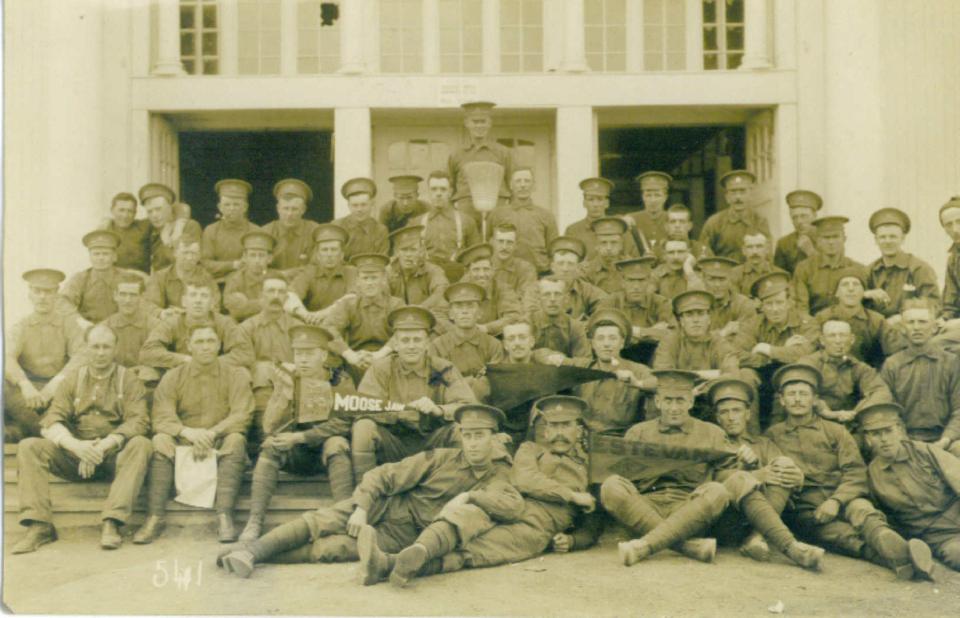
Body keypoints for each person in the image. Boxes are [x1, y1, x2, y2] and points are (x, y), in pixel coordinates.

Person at [217, 403, 520, 578]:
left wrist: (469, 495)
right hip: (386, 505)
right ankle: (253, 551)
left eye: (480, 436)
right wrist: (362, 508)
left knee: (331, 550)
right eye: (468, 436)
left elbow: (511, 506)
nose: (473, 443)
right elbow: (384, 474)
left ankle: (249, 554)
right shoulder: (441, 458)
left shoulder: (499, 474)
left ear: (494, 438)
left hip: (407, 535)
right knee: (322, 521)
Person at [360, 396, 599, 586]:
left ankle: (388, 564)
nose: (559, 432)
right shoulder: (529, 449)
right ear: (545, 430)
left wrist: (574, 540)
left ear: (578, 430)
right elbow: (525, 479)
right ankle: (422, 548)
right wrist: (572, 496)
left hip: (536, 527)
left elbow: (595, 517)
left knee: (472, 552)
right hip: (505, 503)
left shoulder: (592, 466)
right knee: (468, 514)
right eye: (553, 426)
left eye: (566, 426)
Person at [603, 369, 823, 570]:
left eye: (680, 400)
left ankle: (791, 547)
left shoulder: (712, 433)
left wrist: (751, 470)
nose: (674, 407)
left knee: (719, 489)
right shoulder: (638, 432)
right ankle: (685, 546)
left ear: (690, 401)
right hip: (645, 510)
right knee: (611, 485)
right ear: (658, 401)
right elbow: (625, 475)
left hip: (691, 511)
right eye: (668, 400)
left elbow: (726, 474)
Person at [764, 364, 934, 580]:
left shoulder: (836, 431)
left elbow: (855, 471)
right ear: (782, 400)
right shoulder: (772, 436)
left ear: (815, 399)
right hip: (807, 510)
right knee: (840, 536)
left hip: (844, 497)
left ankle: (884, 536)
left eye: (804, 394)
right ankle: (900, 558)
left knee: (862, 510)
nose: (797, 399)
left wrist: (836, 500)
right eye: (791, 394)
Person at [12, 324, 152, 553]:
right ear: (86, 349)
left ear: (115, 349)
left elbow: (138, 421)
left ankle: (113, 521)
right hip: (74, 458)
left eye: (106, 347)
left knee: (142, 444)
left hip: (113, 458)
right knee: (29, 446)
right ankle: (39, 525)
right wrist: (77, 447)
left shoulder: (128, 379)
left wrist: (103, 446)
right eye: (95, 346)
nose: (100, 352)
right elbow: (52, 418)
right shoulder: (72, 379)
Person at [134, 325, 254, 544]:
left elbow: (241, 414)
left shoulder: (235, 375)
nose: (205, 347)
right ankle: (155, 516)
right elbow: (162, 415)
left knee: (236, 439)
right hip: (184, 442)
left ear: (219, 345)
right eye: (199, 342)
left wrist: (211, 433)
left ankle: (225, 515)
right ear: (189, 346)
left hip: (218, 442)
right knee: (160, 439)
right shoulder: (173, 376)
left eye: (210, 341)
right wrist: (188, 433)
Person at [238, 325, 357, 542]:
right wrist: (282, 395)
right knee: (269, 445)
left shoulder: (340, 380)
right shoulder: (289, 378)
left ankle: (344, 516)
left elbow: (344, 423)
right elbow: (269, 427)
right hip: (296, 452)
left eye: (309, 354)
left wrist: (301, 437)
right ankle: (254, 520)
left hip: (324, 452)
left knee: (337, 443)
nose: (302, 360)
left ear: (323, 355)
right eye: (298, 354)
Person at [350, 306, 477, 479]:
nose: (411, 346)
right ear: (395, 344)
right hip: (393, 443)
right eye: (405, 340)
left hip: (433, 444)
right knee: (363, 427)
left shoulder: (443, 369)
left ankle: (456, 489)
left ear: (427, 344)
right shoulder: (381, 369)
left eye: (417, 340)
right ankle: (364, 493)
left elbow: (468, 407)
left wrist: (438, 410)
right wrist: (400, 412)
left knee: (459, 429)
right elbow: (363, 408)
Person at [708, 378, 813, 563]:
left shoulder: (763, 444)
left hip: (759, 519)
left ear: (748, 414)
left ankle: (756, 537)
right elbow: (708, 484)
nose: (731, 417)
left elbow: (783, 472)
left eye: (737, 410)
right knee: (748, 478)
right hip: (726, 522)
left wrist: (798, 476)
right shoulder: (711, 444)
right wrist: (755, 474)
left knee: (782, 466)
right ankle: (786, 544)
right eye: (724, 412)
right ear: (717, 417)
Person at [858, 402, 960, 571]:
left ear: (899, 430)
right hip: (939, 537)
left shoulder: (925, 452)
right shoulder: (872, 476)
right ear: (868, 439)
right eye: (876, 434)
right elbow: (891, 520)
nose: (884, 439)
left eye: (888, 431)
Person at [5, 269, 87, 442]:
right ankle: (57, 434)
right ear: (30, 294)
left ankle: (28, 430)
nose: (42, 297)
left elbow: (81, 355)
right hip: (28, 395)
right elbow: (7, 357)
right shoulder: (21, 325)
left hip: (60, 389)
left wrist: (55, 384)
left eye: (48, 291)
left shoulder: (69, 324)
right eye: (37, 291)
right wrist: (25, 384)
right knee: (5, 390)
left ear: (56, 294)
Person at [879, 297, 960, 457]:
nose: (917, 328)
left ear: (934, 327)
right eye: (911, 322)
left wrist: (945, 440)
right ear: (903, 328)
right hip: (904, 439)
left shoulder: (952, 363)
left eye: (922, 322)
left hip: (945, 439)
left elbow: (959, 409)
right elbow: (887, 410)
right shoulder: (892, 365)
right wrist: (903, 439)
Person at [559, 309, 656, 436]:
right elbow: (541, 356)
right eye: (600, 338)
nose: (606, 344)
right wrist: (553, 357)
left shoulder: (637, 370)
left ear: (622, 342)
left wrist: (638, 383)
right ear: (592, 343)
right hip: (583, 439)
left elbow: (662, 383)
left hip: (620, 441)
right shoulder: (582, 367)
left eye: (612, 338)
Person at [140, 279, 254, 371]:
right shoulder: (171, 323)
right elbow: (147, 352)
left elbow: (244, 353)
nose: (198, 301)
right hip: (181, 375)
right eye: (193, 295)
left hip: (217, 375)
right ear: (184, 301)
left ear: (212, 303)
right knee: (148, 372)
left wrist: (209, 362)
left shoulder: (224, 323)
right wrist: (183, 359)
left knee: (243, 373)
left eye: (204, 296)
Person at [798, 320, 893, 428]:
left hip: (848, 425)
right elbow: (800, 392)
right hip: (813, 423)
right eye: (832, 336)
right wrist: (828, 413)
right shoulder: (808, 363)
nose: (838, 341)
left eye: (842, 335)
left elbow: (881, 392)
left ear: (852, 339)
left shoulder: (858, 367)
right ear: (822, 340)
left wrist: (856, 412)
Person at [322, 253, 403, 376]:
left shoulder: (396, 305)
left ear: (383, 279)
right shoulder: (348, 304)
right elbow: (329, 328)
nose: (369, 283)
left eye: (374, 278)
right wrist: (349, 354)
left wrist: (380, 354)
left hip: (388, 360)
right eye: (365, 278)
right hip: (355, 361)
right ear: (358, 281)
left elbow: (403, 331)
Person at [239, 274, 304, 416]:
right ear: (261, 295)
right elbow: (245, 363)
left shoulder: (298, 328)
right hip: (259, 388)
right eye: (271, 291)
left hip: (293, 387)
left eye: (281, 292)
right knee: (261, 370)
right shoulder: (247, 328)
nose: (276, 296)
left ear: (286, 298)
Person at [428, 282, 504, 395]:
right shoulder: (437, 346)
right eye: (458, 306)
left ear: (479, 313)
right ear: (451, 314)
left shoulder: (493, 345)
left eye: (470, 305)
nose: (465, 311)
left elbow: (496, 384)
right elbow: (435, 384)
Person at [863, 207, 940, 318]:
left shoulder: (919, 268)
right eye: (883, 237)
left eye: (893, 237)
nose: (887, 241)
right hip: (877, 329)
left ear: (902, 238)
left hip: (910, 329)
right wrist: (866, 294)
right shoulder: (869, 271)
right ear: (876, 240)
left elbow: (934, 304)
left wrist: (904, 317)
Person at [815, 268, 900, 367]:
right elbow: (810, 348)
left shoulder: (877, 320)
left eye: (856, 284)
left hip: (866, 375)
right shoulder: (822, 318)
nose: (851, 289)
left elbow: (894, 350)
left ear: (863, 292)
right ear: (836, 293)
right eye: (845, 284)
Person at [736, 271, 818, 369]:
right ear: (762, 306)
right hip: (761, 372)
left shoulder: (806, 322)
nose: (775, 309)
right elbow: (737, 354)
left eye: (779, 303)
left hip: (794, 371)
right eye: (769, 304)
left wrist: (766, 349)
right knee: (746, 375)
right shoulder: (753, 324)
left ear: (789, 303)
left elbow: (806, 352)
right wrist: (778, 353)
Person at [447, 101, 513, 222]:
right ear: (466, 123)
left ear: (490, 123)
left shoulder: (503, 153)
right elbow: (449, 187)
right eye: (475, 122)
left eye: (483, 121)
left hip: (497, 207)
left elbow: (512, 184)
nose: (479, 126)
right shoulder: (457, 154)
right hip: (466, 208)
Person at [60, 230, 142, 323]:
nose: (101, 258)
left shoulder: (127, 278)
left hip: (119, 328)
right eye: (96, 254)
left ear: (114, 256)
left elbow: (143, 303)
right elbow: (63, 302)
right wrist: (79, 321)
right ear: (90, 256)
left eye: (105, 254)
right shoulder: (80, 278)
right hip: (88, 328)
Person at [486, 167, 557, 273]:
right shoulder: (497, 214)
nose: (523, 185)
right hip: (505, 271)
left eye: (527, 181)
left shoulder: (546, 215)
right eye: (518, 181)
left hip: (539, 271)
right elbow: (489, 243)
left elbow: (553, 248)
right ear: (511, 185)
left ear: (534, 185)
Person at [793, 216, 868, 316]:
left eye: (835, 237)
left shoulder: (858, 269)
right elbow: (801, 308)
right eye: (826, 237)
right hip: (815, 325)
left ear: (844, 239)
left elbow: (866, 307)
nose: (831, 242)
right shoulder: (805, 269)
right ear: (817, 240)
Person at [412, 170, 480, 280]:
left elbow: (476, 258)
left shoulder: (467, 221)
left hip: (458, 279)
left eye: (443, 189)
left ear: (450, 192)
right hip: (427, 280)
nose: (438, 193)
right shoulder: (416, 223)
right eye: (434, 189)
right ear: (428, 192)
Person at [597, 257, 674, 346]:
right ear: (623, 282)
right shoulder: (610, 302)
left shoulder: (661, 303)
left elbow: (668, 334)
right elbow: (601, 332)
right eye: (631, 280)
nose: (636, 286)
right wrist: (648, 332)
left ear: (649, 281)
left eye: (641, 280)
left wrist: (630, 332)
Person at [287, 224, 358, 319]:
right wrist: (305, 315)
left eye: (334, 250)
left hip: (341, 325)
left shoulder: (351, 272)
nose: (329, 254)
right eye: (325, 250)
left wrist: (322, 315)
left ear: (341, 254)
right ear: (318, 255)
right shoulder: (309, 272)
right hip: (311, 323)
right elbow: (291, 295)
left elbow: (351, 299)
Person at [698, 170, 770, 262]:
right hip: (722, 273)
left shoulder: (760, 221)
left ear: (751, 194)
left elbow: (767, 255)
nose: (738, 197)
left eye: (742, 191)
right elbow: (704, 255)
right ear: (727, 197)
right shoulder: (714, 223)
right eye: (733, 192)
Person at [102, 273, 161, 381]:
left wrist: (155, 371)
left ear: (142, 297)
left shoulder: (157, 327)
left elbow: (165, 360)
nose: (127, 300)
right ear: (115, 296)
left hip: (147, 385)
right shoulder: (104, 328)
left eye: (133, 295)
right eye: (123, 294)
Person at [143, 234, 220, 316]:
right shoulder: (160, 277)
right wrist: (161, 313)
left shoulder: (206, 278)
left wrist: (186, 313)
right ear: (175, 253)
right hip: (169, 322)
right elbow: (149, 304)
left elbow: (215, 307)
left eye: (194, 253)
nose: (189, 257)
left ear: (199, 255)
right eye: (185, 253)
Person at [565, 178, 641, 260]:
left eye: (600, 199)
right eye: (591, 199)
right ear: (584, 203)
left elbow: (634, 259)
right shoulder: (573, 231)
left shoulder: (620, 226)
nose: (595, 204)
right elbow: (569, 261)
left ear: (607, 203)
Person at [456, 243, 522, 336]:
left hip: (493, 339)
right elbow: (440, 313)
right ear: (467, 272)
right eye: (476, 269)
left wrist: (487, 328)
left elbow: (514, 316)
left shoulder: (502, 288)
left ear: (492, 270)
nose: (482, 274)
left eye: (486, 269)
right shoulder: (458, 289)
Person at [201, 179, 260, 280]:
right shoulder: (211, 230)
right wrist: (233, 265)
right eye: (227, 204)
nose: (231, 208)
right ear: (220, 207)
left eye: (236, 204)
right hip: (216, 284)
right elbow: (205, 263)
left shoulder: (255, 231)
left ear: (245, 207)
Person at [386, 225, 450, 315]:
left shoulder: (433, 270)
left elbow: (441, 291)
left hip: (423, 317)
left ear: (421, 251)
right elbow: (381, 295)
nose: (408, 255)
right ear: (396, 252)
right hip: (395, 318)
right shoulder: (387, 271)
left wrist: (421, 308)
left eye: (413, 250)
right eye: (404, 250)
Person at [222, 231, 285, 322]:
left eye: (261, 255)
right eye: (252, 255)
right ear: (244, 257)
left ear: (269, 258)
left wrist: (248, 304)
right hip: (243, 325)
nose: (257, 260)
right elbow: (236, 310)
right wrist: (264, 303)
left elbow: (284, 303)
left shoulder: (277, 277)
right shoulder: (235, 279)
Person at [139, 182, 201, 273]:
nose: (154, 215)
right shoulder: (149, 227)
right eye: (150, 211)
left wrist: (167, 241)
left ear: (170, 207)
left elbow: (186, 262)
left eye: (158, 209)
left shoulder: (189, 226)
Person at [261, 178, 320, 272]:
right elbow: (259, 268)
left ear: (303, 209)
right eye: (285, 208)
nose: (289, 214)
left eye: (294, 209)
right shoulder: (266, 232)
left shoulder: (315, 231)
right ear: (278, 208)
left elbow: (317, 266)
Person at [547, 236, 609, 321]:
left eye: (570, 264)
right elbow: (531, 317)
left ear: (578, 267)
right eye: (560, 263)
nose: (565, 269)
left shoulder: (588, 291)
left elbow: (604, 310)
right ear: (552, 266)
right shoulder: (535, 289)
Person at [529, 276, 591, 359]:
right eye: (546, 294)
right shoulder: (528, 324)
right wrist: (540, 355)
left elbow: (585, 361)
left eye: (557, 294)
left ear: (566, 298)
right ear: (539, 298)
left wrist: (562, 360)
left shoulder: (575, 327)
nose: (552, 299)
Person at [697, 256, 757, 339]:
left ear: (730, 280)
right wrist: (723, 333)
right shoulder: (695, 305)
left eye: (722, 279)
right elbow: (694, 341)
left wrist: (712, 338)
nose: (717, 285)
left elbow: (747, 340)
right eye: (711, 279)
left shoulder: (743, 304)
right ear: (703, 279)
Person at [490, 223, 539, 314]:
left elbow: (527, 298)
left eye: (509, 242)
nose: (504, 247)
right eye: (500, 241)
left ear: (516, 245)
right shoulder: (483, 267)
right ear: (492, 242)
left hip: (516, 315)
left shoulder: (526, 269)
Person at [336, 177, 390, 260]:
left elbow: (381, 260)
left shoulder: (380, 231)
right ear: (349, 206)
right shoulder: (337, 227)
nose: (359, 210)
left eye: (363, 205)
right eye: (355, 205)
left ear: (372, 204)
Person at [101, 192, 151, 273]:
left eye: (130, 211)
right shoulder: (105, 230)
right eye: (121, 210)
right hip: (114, 281)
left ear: (135, 213)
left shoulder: (144, 227)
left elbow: (174, 208)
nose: (125, 215)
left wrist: (179, 223)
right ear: (112, 210)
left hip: (141, 281)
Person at [774, 190, 821, 274]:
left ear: (814, 216)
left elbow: (831, 272)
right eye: (794, 217)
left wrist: (810, 252)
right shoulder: (784, 244)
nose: (799, 221)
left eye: (804, 216)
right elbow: (780, 276)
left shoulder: (827, 239)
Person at [581, 217, 631, 294]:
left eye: (614, 242)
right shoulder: (586, 272)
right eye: (603, 243)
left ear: (621, 245)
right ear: (596, 245)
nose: (609, 248)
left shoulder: (630, 268)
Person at [625, 171, 672, 250]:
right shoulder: (632, 219)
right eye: (648, 195)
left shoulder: (673, 219)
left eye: (657, 195)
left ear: (665, 197)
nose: (652, 200)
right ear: (643, 197)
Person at [730, 229, 781, 298]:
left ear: (767, 249)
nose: (755, 252)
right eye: (750, 247)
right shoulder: (734, 274)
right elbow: (735, 301)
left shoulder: (778, 274)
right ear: (744, 250)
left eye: (759, 246)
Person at [940, 196, 960, 321]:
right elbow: (950, 302)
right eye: (948, 224)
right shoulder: (953, 258)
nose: (955, 230)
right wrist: (944, 319)